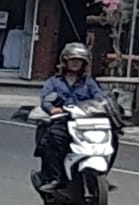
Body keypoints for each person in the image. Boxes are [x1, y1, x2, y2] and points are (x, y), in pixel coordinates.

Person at [36, 42, 108, 191]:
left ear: (84, 63)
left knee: (110, 138)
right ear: (65, 61)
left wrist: (106, 106)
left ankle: (100, 174)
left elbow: (100, 99)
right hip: (63, 121)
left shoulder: (89, 83)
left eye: (79, 60)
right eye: (72, 59)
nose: (75, 63)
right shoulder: (54, 82)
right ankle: (55, 178)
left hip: (85, 123)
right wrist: (52, 109)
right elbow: (45, 99)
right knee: (52, 139)